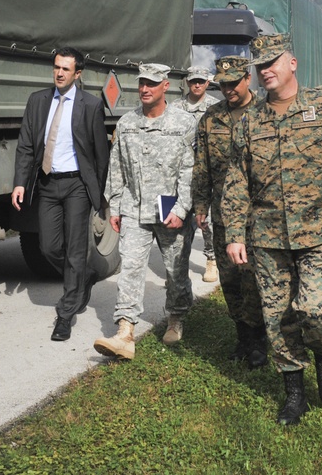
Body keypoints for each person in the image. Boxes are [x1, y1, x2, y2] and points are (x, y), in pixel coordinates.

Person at [224, 34, 322, 425]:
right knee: (278, 319)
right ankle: (294, 392)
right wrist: (235, 234)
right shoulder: (249, 122)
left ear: (292, 62)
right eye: (259, 65)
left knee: (314, 309)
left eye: (272, 61)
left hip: (321, 232)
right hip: (267, 236)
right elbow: (237, 181)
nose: (265, 70)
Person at [93, 63, 197, 361]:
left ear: (166, 85)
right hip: (135, 209)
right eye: (141, 83)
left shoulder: (184, 123)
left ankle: (176, 317)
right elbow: (117, 167)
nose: (144, 89)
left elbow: (191, 171)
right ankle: (125, 332)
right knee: (131, 268)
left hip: (170, 211)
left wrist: (182, 208)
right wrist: (114, 204)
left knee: (176, 269)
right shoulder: (127, 123)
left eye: (151, 83)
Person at [11, 47, 110, 342]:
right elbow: (26, 144)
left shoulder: (90, 105)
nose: (59, 73)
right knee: (49, 246)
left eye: (66, 69)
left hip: (77, 185)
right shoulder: (38, 101)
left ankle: (66, 313)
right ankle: (82, 276)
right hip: (47, 183)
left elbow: (99, 154)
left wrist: (99, 192)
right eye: (56, 67)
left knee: (76, 248)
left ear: (77, 73)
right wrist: (19, 182)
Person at [190, 56, 267, 369]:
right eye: (223, 84)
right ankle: (243, 337)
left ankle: (260, 340)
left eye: (234, 82)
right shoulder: (211, 118)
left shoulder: (265, 113)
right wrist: (200, 204)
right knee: (231, 280)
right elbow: (202, 165)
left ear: (248, 78)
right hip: (224, 213)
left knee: (256, 281)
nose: (228, 89)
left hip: (260, 216)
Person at [174, 66, 221, 282]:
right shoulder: (175, 107)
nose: (197, 85)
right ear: (187, 82)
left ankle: (211, 260)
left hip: (206, 171)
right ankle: (178, 267)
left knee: (207, 220)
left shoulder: (215, 107)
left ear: (207, 83)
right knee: (180, 219)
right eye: (193, 81)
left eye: (201, 81)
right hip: (181, 172)